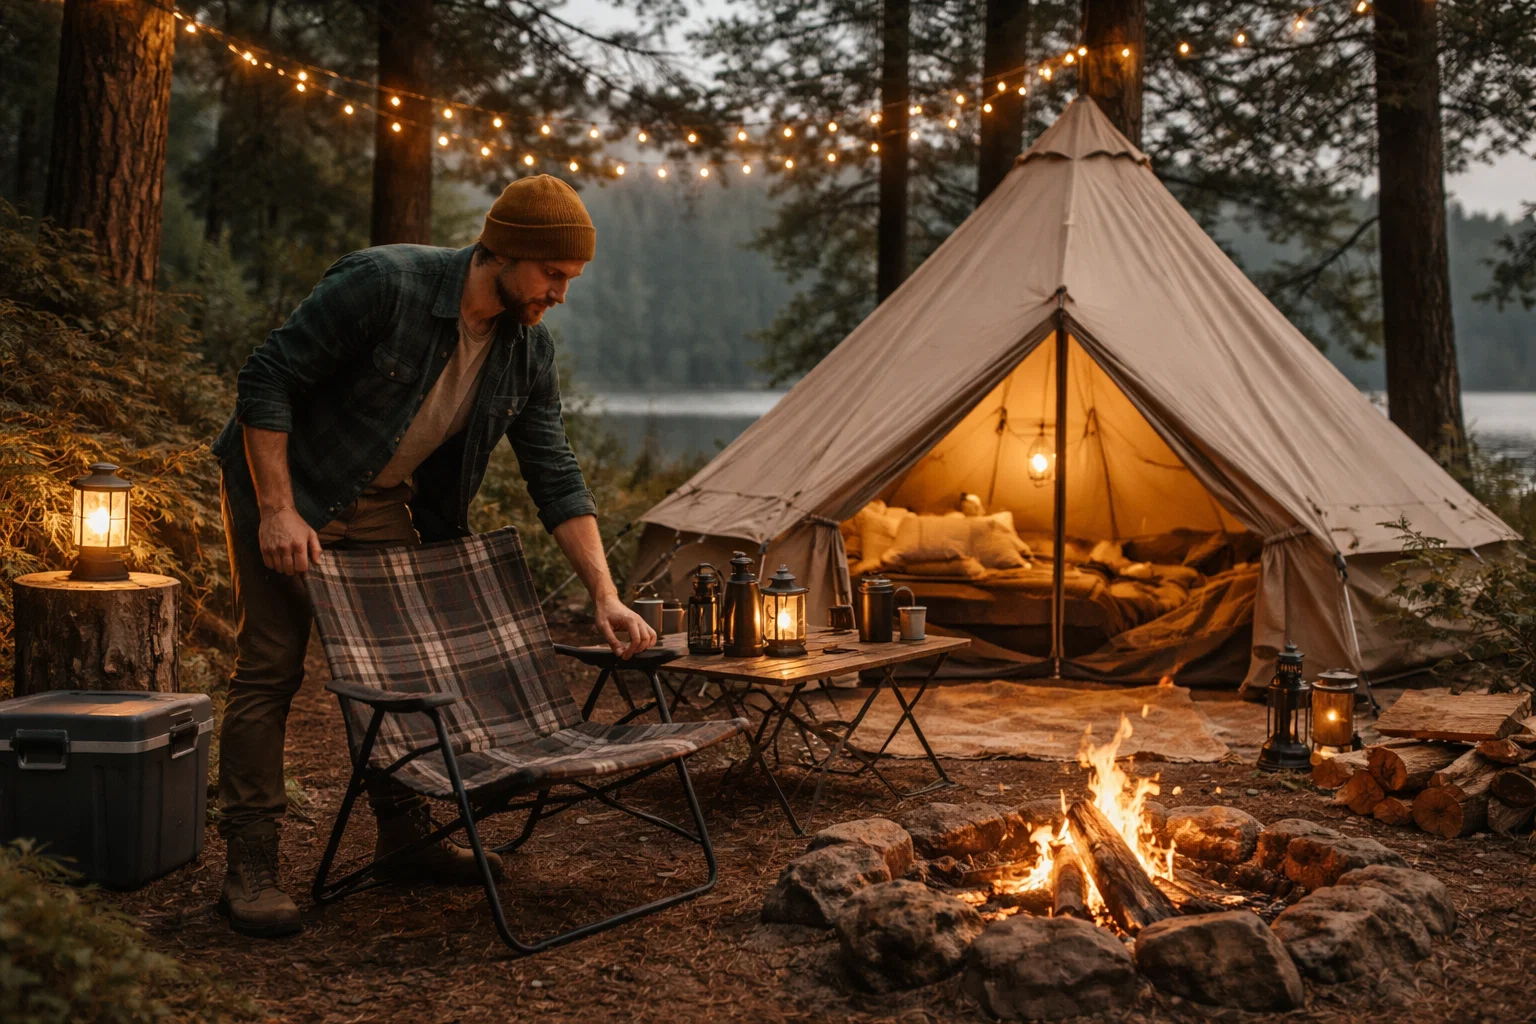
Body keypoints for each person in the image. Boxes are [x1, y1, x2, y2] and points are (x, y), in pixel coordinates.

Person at [208, 175, 656, 938]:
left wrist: (606, 595)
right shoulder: (385, 285)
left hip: (383, 504)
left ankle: (404, 835)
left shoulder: (526, 351)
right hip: (287, 489)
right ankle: (249, 865)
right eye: (553, 275)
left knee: (399, 672)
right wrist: (278, 510)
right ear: (506, 252)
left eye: (569, 280)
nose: (560, 294)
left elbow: (556, 476)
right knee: (272, 669)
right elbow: (267, 379)